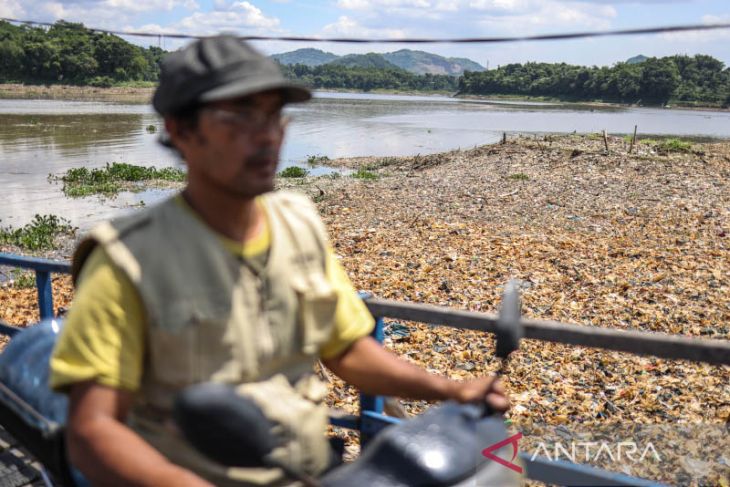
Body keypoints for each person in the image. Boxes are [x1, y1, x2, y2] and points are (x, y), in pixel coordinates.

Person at [49, 36, 508, 487]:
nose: (266, 136)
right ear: (180, 130)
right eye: (239, 117)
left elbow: (345, 348)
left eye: (273, 116)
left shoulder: (298, 222)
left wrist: (448, 389)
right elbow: (92, 431)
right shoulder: (127, 259)